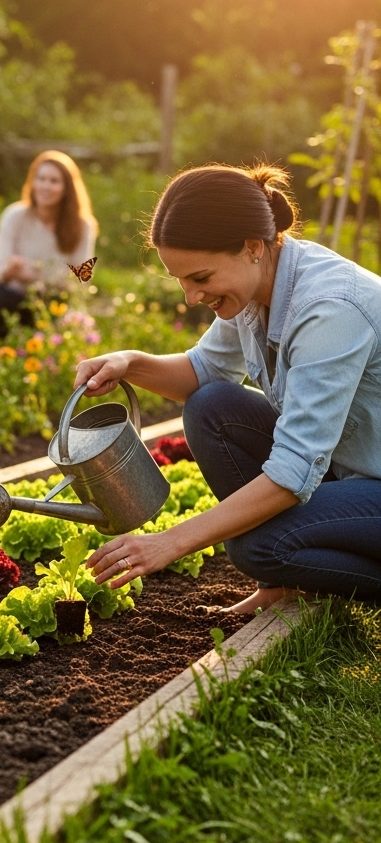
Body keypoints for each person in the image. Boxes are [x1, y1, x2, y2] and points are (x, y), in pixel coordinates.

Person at [78, 164, 381, 616]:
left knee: (259, 545)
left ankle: (296, 577)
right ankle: (286, 587)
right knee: (211, 407)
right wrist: (129, 364)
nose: (190, 297)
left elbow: (295, 469)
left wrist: (168, 543)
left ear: (252, 247)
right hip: (352, 472)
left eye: (200, 278)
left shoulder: (328, 308)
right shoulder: (258, 284)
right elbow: (203, 373)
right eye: (181, 280)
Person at [0, 150, 98, 337]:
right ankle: (14, 345)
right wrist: (9, 269)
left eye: (54, 181)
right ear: (32, 182)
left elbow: (81, 281)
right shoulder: (14, 216)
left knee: (71, 319)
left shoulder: (83, 225)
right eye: (40, 179)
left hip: (56, 303)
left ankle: (45, 343)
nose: (45, 186)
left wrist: (34, 275)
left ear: (67, 188)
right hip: (17, 297)